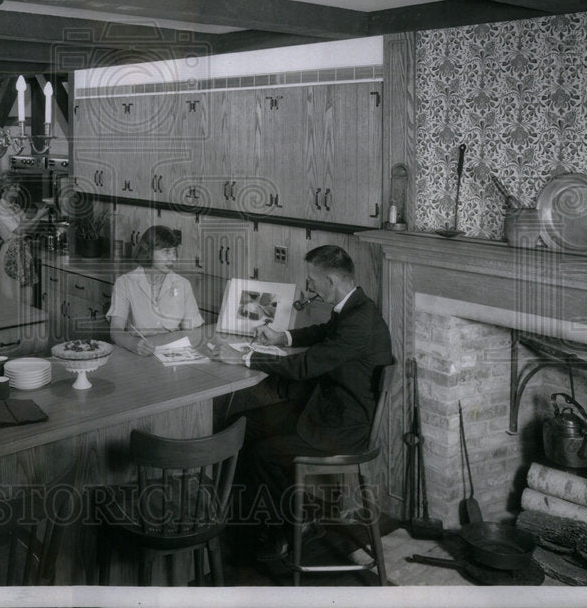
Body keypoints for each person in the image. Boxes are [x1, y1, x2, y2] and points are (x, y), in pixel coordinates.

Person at [216, 244, 393, 562]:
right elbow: (323, 332)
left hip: (344, 425)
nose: (308, 286)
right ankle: (296, 514)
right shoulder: (355, 307)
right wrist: (283, 337)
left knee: (260, 454)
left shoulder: (358, 320)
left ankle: (288, 527)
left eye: (312, 280)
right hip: (330, 409)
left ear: (332, 281)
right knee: (242, 426)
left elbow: (304, 367)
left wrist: (245, 356)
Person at [107, 225, 204, 355]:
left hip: (173, 355)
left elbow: (193, 330)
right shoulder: (125, 283)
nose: (173, 258)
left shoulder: (183, 284)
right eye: (166, 252)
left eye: (174, 252)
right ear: (148, 251)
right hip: (137, 355)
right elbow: (116, 330)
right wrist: (134, 345)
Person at [0, 174, 50, 304]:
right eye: (15, 186)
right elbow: (19, 230)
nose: (18, 189)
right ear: (4, 188)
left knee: (25, 297)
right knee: (10, 297)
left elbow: (29, 229)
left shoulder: (16, 207)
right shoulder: (1, 209)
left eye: (18, 186)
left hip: (24, 253)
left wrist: (39, 216)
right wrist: (38, 216)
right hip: (10, 254)